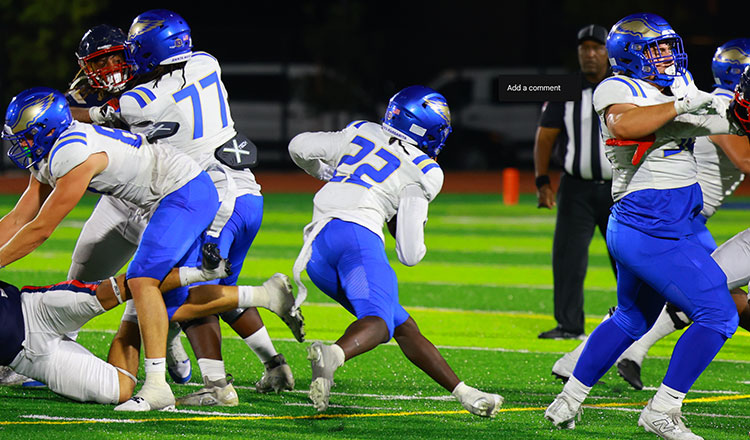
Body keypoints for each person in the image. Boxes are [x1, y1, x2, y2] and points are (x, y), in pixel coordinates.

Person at [543, 13, 743, 440]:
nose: (669, 56)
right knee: (719, 314)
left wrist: (733, 111)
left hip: (672, 220)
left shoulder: (677, 83)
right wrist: (690, 101)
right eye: (658, 48)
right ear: (631, 54)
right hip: (649, 222)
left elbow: (708, 124)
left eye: (671, 46)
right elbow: (627, 124)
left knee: (632, 320)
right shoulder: (617, 87)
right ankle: (663, 410)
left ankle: (569, 396)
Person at [94, 9, 300, 409]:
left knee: (173, 296)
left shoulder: (143, 100)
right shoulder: (207, 62)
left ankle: (261, 303)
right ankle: (270, 364)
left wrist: (69, 112)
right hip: (248, 194)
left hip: (215, 201)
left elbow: (114, 113)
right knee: (213, 292)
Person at [0, 86, 222, 411]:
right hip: (141, 200)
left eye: (25, 136)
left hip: (181, 191)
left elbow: (41, 230)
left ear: (46, 131)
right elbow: (20, 217)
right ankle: (203, 279)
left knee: (142, 281)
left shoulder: (72, 154)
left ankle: (157, 384)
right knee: (94, 271)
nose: (20, 145)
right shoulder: (50, 152)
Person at [288, 85, 503, 418]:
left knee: (402, 325)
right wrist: (399, 218)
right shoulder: (427, 171)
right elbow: (410, 253)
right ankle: (332, 355)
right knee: (379, 324)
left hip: (316, 250)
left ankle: (465, 394)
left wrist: (327, 173)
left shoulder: (363, 130)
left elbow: (298, 145)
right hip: (356, 240)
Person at [0, 243, 301, 407]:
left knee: (125, 286)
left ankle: (201, 273)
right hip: (29, 356)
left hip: (34, 307)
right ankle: (144, 309)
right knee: (119, 389)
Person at [535, 24, 616, 340]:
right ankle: (569, 325)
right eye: (585, 49)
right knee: (568, 257)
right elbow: (545, 137)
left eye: (597, 48)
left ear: (609, 52)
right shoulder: (564, 88)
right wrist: (543, 180)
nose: (590, 54)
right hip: (576, 188)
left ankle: (639, 322)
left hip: (619, 188)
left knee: (630, 258)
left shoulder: (627, 85)